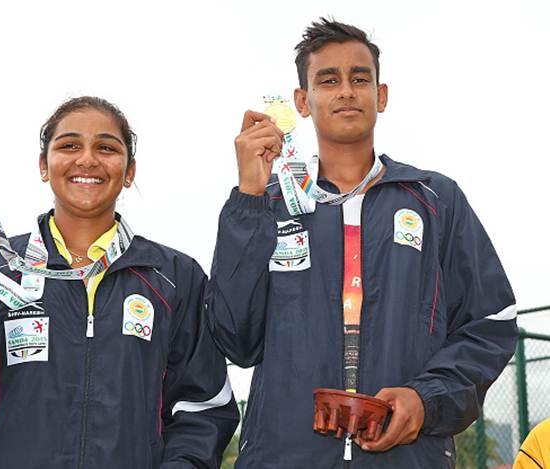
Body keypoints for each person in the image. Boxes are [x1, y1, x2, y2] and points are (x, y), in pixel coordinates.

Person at [206, 19, 518, 468]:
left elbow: (492, 321)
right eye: (328, 80)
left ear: (381, 95)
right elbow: (235, 338)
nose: (346, 91)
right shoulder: (267, 205)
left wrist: (425, 399)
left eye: (360, 78)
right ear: (303, 101)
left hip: (409, 458)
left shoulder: (436, 200)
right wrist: (249, 197)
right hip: (286, 456)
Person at [0, 96, 239, 468]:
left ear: (129, 171)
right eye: (69, 145)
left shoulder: (174, 276)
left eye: (107, 148)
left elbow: (203, 409)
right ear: (44, 165)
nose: (87, 159)